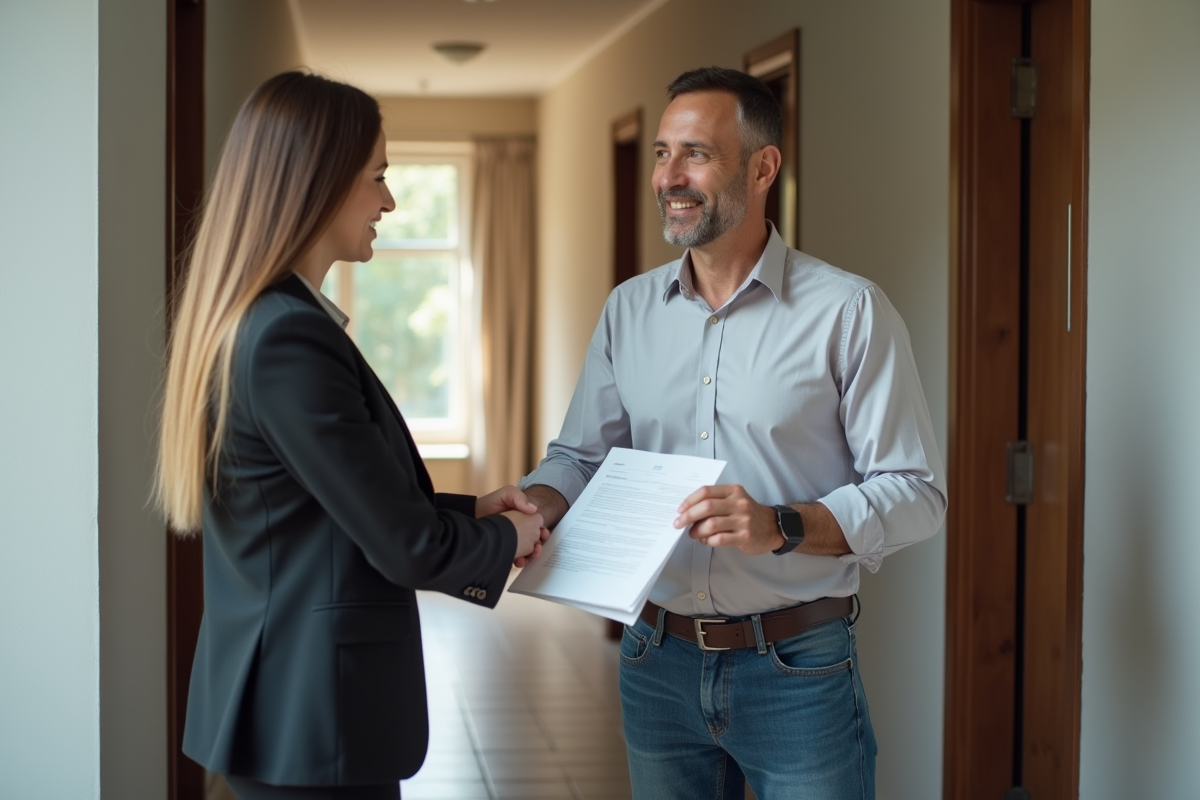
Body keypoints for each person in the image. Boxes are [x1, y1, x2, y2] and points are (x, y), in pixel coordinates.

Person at [519, 66, 947, 800]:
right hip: (654, 661)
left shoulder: (848, 312)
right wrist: (533, 503)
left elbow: (915, 494)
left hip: (797, 669)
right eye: (662, 153)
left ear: (762, 168)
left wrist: (781, 524)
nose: (668, 178)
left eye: (696, 154)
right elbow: (580, 458)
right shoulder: (628, 311)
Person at [155, 71, 547, 800]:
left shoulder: (269, 321)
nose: (389, 202)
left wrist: (472, 511)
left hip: (293, 708)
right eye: (378, 177)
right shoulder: (287, 338)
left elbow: (326, 503)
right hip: (311, 714)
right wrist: (508, 539)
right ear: (319, 181)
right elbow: (403, 546)